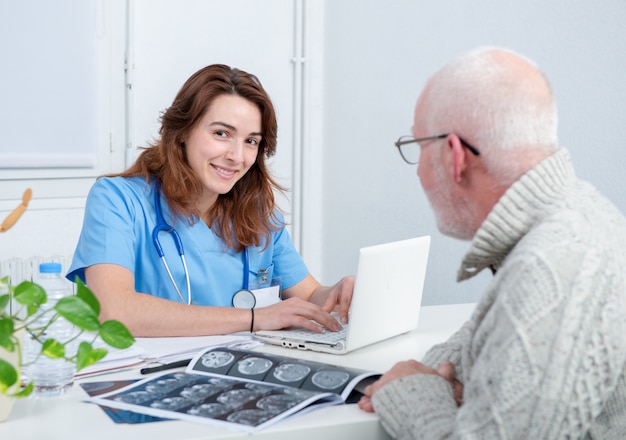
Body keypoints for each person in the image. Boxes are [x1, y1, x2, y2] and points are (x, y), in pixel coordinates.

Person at [359, 47, 626, 438]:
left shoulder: (551, 266)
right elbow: (508, 322)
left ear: (454, 155)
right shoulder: (578, 216)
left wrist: (410, 391)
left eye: (417, 148)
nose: (417, 170)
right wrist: (444, 370)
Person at [67, 64, 353, 337]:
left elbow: (311, 296)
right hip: (148, 376)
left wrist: (338, 293)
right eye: (221, 134)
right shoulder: (117, 200)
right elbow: (114, 310)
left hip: (240, 373)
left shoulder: (261, 218)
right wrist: (255, 318)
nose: (237, 156)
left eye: (251, 141)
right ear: (181, 133)